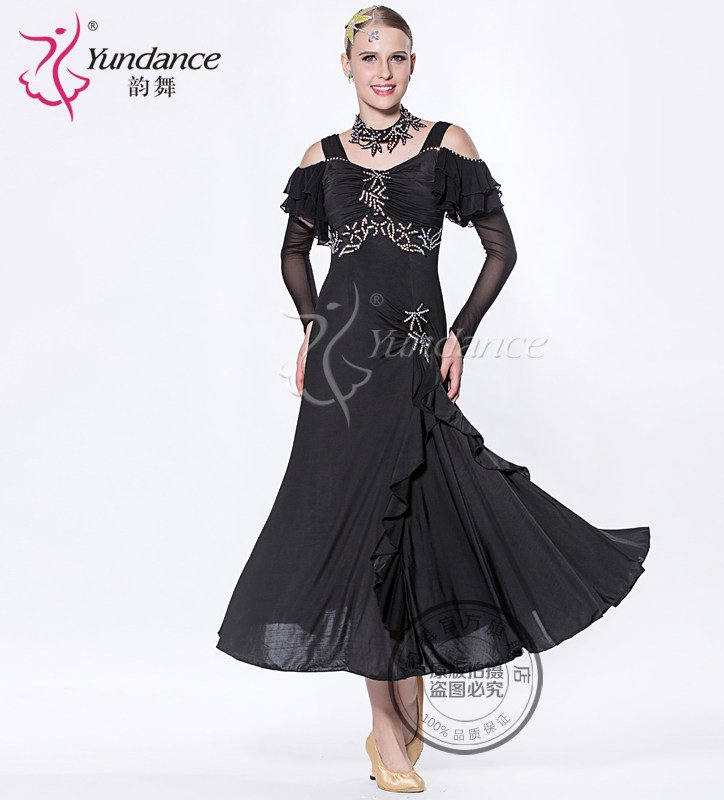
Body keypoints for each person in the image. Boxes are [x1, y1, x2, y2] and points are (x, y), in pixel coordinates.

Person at [216, 5, 650, 792]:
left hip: (413, 354)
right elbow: (293, 251)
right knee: (355, 527)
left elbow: (500, 248)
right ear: (346, 65)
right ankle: (385, 728)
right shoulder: (320, 158)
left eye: (398, 57)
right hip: (344, 368)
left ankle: (402, 682)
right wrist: (314, 328)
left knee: (414, 518)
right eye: (370, 57)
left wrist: (460, 337)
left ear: (414, 65)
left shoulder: (449, 145)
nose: (384, 71)